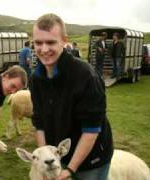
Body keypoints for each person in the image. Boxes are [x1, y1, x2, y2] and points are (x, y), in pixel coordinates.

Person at [30, 13, 113, 180]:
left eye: (51, 42)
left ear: (64, 40)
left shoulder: (86, 76)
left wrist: (71, 170)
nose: (44, 49)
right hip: (58, 156)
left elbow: (91, 129)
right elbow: (39, 123)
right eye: (38, 43)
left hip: (91, 160)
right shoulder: (36, 78)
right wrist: (44, 157)